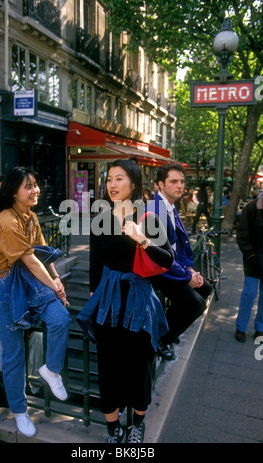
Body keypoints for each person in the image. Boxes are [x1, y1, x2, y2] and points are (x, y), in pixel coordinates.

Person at [76, 160, 174, 443]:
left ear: (133, 183)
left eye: (119, 179)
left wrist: (143, 240)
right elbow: (95, 262)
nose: (113, 184)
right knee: (108, 368)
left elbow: (167, 259)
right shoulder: (100, 218)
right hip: (107, 303)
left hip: (138, 302)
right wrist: (94, 296)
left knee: (138, 367)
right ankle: (113, 428)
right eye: (109, 179)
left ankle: (137, 426)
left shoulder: (147, 216)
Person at [0, 166, 71, 438]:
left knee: (61, 319)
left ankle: (51, 370)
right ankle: (20, 411)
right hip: (4, 284)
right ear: (13, 192)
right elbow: (30, 260)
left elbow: (41, 255)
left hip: (28, 277)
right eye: (28, 186)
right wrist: (53, 284)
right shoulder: (6, 221)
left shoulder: (30, 217)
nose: (35, 191)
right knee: (14, 354)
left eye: (35, 185)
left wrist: (57, 280)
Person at [147, 162, 212, 359]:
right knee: (196, 304)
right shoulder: (155, 209)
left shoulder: (170, 206)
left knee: (205, 288)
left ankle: (168, 330)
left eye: (182, 181)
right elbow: (158, 255)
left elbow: (178, 247)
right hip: (158, 271)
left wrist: (190, 271)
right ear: (160, 185)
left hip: (172, 266)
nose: (180, 186)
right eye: (174, 182)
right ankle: (160, 339)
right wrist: (186, 275)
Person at [234, 194, 263, 343]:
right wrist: (251, 256)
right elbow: (242, 236)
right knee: (249, 294)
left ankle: (260, 329)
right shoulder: (251, 208)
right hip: (253, 260)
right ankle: (241, 327)